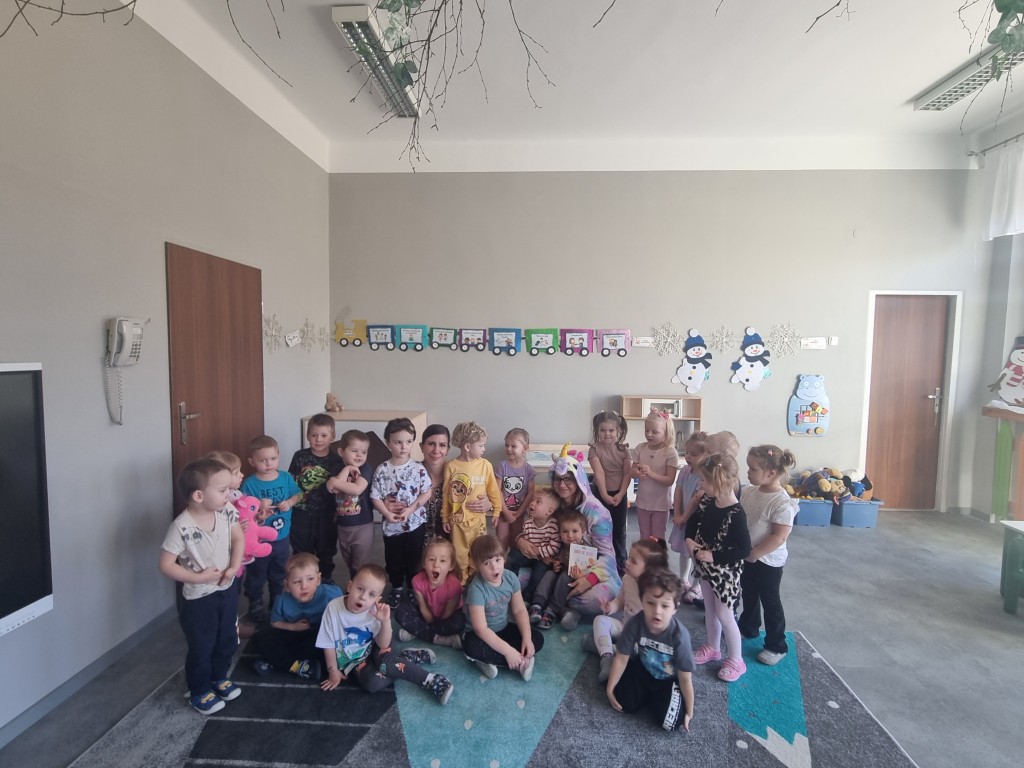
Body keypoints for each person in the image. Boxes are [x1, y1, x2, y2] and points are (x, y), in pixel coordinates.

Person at [159, 458, 245, 714]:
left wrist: (234, 566)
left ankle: (219, 678)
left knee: (227, 638)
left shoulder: (226, 510)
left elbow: (238, 538)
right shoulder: (181, 527)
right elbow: (166, 564)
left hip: (227, 589)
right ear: (198, 495)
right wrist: (198, 578)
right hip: (199, 598)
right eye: (223, 490)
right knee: (202, 645)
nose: (229, 494)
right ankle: (198, 690)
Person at [316, 563, 454, 705]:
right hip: (356, 660)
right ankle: (407, 658)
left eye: (371, 594)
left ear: (377, 600)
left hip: (378, 644)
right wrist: (333, 670)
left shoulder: (374, 611)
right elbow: (328, 643)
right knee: (372, 684)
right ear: (350, 586)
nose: (363, 597)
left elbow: (383, 645)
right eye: (360, 589)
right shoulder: (333, 608)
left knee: (386, 663)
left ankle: (432, 680)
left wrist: (385, 621)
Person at [685, 453, 752, 683]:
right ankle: (713, 647)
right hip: (706, 569)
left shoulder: (736, 513)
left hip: (725, 574)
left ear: (720, 482)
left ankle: (737, 659)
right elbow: (694, 520)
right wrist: (689, 540)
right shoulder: (708, 501)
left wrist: (715, 556)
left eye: (704, 480)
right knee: (710, 610)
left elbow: (744, 549)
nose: (701, 485)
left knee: (725, 614)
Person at [605, 568, 695, 732]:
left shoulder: (680, 636)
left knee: (672, 722)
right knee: (622, 702)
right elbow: (621, 658)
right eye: (651, 603)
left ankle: (652, 698)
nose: (657, 611)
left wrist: (689, 711)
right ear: (642, 601)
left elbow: (685, 678)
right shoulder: (635, 623)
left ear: (675, 608)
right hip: (643, 670)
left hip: (668, 681)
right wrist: (610, 689)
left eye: (665, 606)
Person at [739, 444, 798, 666]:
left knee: (770, 601)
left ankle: (776, 645)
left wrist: (756, 553)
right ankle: (749, 627)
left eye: (752, 469)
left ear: (771, 473)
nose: (748, 472)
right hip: (748, 556)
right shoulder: (750, 491)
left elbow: (779, 536)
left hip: (768, 560)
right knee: (749, 593)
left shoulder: (781, 502)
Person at [549, 444, 621, 622]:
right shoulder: (552, 504)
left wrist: (590, 579)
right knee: (518, 578)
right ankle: (559, 603)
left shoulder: (597, 512)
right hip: (560, 567)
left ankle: (556, 604)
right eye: (557, 479)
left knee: (595, 600)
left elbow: (608, 556)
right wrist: (523, 541)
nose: (562, 485)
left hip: (594, 571)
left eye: (568, 479)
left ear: (579, 480)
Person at [584, 537, 669, 682]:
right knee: (599, 620)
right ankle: (607, 658)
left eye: (633, 561)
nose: (627, 562)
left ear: (649, 570)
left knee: (641, 651)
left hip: (643, 637)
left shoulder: (656, 591)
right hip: (625, 625)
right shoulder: (627, 579)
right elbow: (620, 601)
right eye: (629, 557)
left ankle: (603, 646)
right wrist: (610, 607)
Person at [462, 535, 544, 680]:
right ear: (477, 565)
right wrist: (507, 651)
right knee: (470, 646)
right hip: (479, 635)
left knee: (536, 638)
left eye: (497, 560)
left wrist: (526, 638)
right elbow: (481, 629)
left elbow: (519, 610)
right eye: (486, 563)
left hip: (502, 628)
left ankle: (497, 660)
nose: (494, 567)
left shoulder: (510, 578)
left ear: (504, 558)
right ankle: (520, 661)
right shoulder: (476, 589)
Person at [370, 418, 433, 606]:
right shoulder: (382, 470)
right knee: (393, 558)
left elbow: (426, 491)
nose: (404, 447)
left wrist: (411, 509)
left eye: (408, 441)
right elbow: (375, 496)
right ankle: (397, 586)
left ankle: (412, 586)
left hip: (415, 524)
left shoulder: (418, 468)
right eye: (398, 442)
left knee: (414, 557)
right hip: (392, 526)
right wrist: (386, 513)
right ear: (388, 443)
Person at [251, 552, 342, 679]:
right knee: (260, 639)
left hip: (321, 637)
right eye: (297, 582)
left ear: (318, 579)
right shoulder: (282, 601)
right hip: (294, 634)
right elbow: (275, 623)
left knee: (333, 646)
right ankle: (301, 667)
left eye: (310, 579)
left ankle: (277, 662)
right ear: (287, 585)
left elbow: (344, 615)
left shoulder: (332, 595)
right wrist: (292, 627)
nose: (304, 586)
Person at [241, 435, 301, 622]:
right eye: (263, 460)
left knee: (279, 571)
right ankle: (255, 601)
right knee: (256, 573)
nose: (269, 464)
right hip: (258, 540)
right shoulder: (249, 483)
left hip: (281, 537)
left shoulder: (285, 477)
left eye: (273, 459)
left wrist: (289, 503)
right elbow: (243, 510)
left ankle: (277, 599)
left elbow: (298, 495)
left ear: (278, 456)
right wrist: (259, 506)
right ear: (252, 461)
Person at [442, 421, 503, 583]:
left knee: (479, 552)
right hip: (458, 523)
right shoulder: (452, 466)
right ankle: (462, 582)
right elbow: (446, 495)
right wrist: (445, 517)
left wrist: (496, 510)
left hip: (478, 522)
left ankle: (476, 581)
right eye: (481, 446)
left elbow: (493, 490)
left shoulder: (485, 465)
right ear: (468, 446)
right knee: (460, 555)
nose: (484, 449)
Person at [288, 414, 343, 584]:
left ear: (332, 436)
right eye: (314, 435)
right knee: (301, 548)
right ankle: (301, 579)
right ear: (307, 435)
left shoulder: (337, 461)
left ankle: (325, 578)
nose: (318, 439)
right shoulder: (300, 456)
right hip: (301, 512)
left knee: (326, 548)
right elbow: (291, 481)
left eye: (324, 435)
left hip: (326, 513)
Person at [529, 509, 602, 630]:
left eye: (575, 531)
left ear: (583, 531)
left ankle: (551, 610)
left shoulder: (587, 550)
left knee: (565, 576)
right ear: (559, 533)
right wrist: (556, 565)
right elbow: (557, 561)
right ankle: (537, 604)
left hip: (574, 580)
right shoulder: (560, 547)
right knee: (549, 574)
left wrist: (582, 577)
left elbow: (592, 569)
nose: (570, 535)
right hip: (560, 575)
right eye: (565, 532)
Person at [394, 537, 466, 647]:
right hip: (426, 615)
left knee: (460, 622)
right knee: (400, 612)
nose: (436, 564)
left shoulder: (455, 585)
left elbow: (449, 612)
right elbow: (422, 606)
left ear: (451, 566)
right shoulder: (417, 581)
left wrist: (435, 625)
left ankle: (418, 631)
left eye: (442, 561)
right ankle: (440, 638)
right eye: (431, 559)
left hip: (447, 618)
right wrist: (431, 623)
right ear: (424, 563)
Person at [326, 429, 374, 582]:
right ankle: (353, 585)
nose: (359, 455)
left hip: (363, 525)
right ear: (341, 452)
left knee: (360, 563)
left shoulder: (366, 469)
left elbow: (357, 489)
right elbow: (333, 489)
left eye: (364, 452)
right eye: (354, 451)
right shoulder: (337, 468)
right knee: (349, 561)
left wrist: (334, 482)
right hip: (343, 526)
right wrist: (346, 469)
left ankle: (359, 587)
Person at [588, 410, 632, 576]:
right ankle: (602, 561)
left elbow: (627, 474)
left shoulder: (624, 450)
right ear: (597, 431)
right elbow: (599, 474)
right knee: (601, 528)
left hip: (620, 493)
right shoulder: (594, 450)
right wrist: (605, 495)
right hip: (601, 493)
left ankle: (621, 563)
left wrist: (621, 494)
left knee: (619, 529)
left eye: (611, 430)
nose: (607, 434)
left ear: (618, 430)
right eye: (603, 430)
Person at [670, 431, 709, 605]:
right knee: (683, 551)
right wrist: (677, 513)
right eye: (687, 453)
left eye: (694, 454)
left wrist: (684, 517)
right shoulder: (685, 470)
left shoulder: (705, 476)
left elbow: (695, 500)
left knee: (696, 555)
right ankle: (683, 580)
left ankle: (696, 586)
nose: (688, 457)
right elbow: (678, 491)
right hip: (683, 519)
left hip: (697, 522)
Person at [506, 487, 561, 604]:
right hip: (528, 555)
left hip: (543, 559)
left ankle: (527, 596)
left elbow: (555, 547)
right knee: (512, 556)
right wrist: (524, 546)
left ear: (549, 511)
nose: (532, 503)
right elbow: (524, 540)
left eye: (538, 502)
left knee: (538, 574)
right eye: (532, 500)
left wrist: (539, 552)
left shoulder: (553, 526)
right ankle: (509, 587)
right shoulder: (528, 523)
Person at [631, 410, 680, 541]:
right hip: (642, 503)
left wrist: (650, 473)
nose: (649, 434)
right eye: (646, 430)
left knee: (657, 538)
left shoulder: (670, 452)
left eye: (654, 432)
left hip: (661, 505)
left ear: (666, 433)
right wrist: (637, 472)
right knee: (644, 537)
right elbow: (631, 473)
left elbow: (669, 480)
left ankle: (657, 556)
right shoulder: (640, 448)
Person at [495, 427, 537, 549]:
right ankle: (501, 559)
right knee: (502, 540)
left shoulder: (528, 469)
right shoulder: (502, 466)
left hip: (519, 512)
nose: (509, 449)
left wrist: (520, 511)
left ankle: (513, 560)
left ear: (525, 448)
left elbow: (531, 492)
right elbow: (497, 490)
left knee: (517, 539)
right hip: (503, 511)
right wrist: (505, 511)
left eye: (513, 446)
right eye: (506, 445)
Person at [419, 424, 452, 541]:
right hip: (416, 544)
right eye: (431, 444)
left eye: (442, 445)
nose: (436, 450)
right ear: (422, 447)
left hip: (450, 544)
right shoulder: (410, 474)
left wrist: (487, 503)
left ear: (447, 450)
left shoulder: (457, 475)